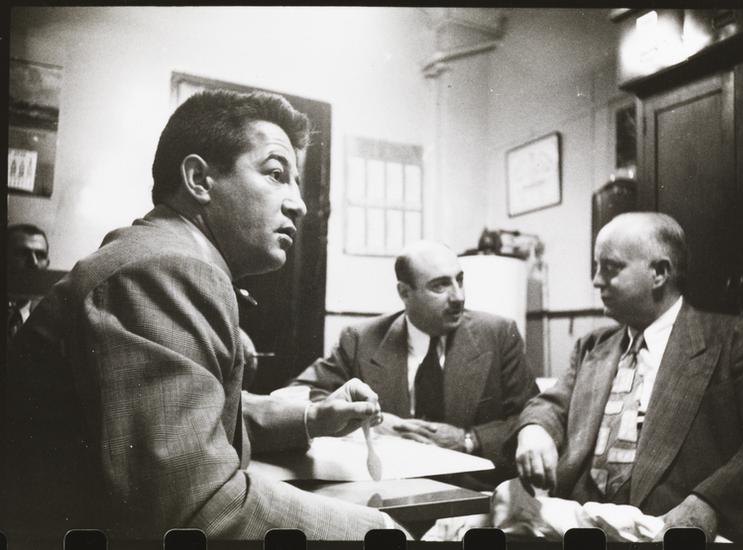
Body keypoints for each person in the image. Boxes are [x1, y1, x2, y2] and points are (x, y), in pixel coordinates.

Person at [3, 90, 399, 543]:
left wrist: (312, 416)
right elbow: (198, 507)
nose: (299, 204)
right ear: (198, 179)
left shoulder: (157, 254)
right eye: (276, 174)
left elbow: (191, 418)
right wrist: (382, 532)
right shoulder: (166, 269)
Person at [504, 212, 743, 543]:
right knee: (499, 503)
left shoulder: (740, 342)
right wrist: (535, 431)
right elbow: (551, 403)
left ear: (659, 273)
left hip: (669, 529)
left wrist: (708, 502)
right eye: (596, 267)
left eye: (610, 268)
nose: (596, 281)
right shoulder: (591, 346)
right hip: (575, 526)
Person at [291, 240, 539, 485]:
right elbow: (300, 397)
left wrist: (469, 440)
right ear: (405, 293)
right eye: (440, 286)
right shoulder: (361, 339)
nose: (459, 297)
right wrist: (367, 423)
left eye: (460, 280)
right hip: (388, 489)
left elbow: (532, 417)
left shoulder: (498, 334)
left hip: (475, 492)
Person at [6, 223, 51, 340]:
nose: (34, 262)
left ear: (47, 263)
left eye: (40, 255)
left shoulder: (52, 319)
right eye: (22, 254)